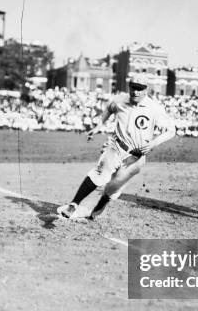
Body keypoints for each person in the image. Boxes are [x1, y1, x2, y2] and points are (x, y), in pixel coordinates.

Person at [57, 75, 175, 219]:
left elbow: (171, 130)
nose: (136, 92)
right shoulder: (120, 101)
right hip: (116, 146)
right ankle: (73, 205)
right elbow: (108, 109)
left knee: (114, 187)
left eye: (140, 89)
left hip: (135, 157)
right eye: (133, 88)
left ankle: (96, 211)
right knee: (101, 174)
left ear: (146, 90)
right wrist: (99, 126)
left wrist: (153, 144)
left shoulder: (154, 108)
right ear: (129, 87)